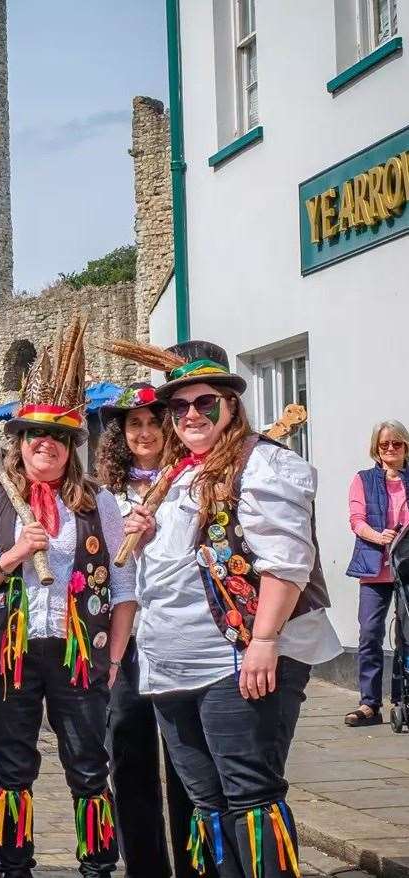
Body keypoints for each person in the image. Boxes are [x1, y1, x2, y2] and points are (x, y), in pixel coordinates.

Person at [119, 340, 341, 878]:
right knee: (206, 801)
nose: (191, 414)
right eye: (180, 407)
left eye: (205, 403)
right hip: (172, 666)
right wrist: (148, 536)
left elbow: (286, 563)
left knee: (250, 796)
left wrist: (264, 642)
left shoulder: (263, 462)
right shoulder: (176, 475)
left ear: (231, 406)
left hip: (237, 660)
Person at [0, 322, 134, 878]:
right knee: (11, 767)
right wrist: (11, 557)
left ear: (70, 448)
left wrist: (113, 659)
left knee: (88, 764)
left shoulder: (98, 503)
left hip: (79, 653)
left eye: (56, 438)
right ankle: (14, 868)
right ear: (20, 443)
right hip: (9, 657)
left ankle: (98, 865)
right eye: (34, 435)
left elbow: (123, 588)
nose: (45, 445)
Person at [95, 382, 203, 878]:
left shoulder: (191, 481)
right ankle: (145, 868)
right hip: (127, 639)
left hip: (180, 633)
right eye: (133, 424)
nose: (143, 432)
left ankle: (193, 864)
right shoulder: (104, 495)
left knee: (185, 760)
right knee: (130, 755)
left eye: (153, 423)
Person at [345, 419, 409, 727]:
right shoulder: (363, 480)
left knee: (406, 636)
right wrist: (378, 536)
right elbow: (356, 520)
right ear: (376, 448)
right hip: (375, 567)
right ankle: (370, 704)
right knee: (370, 634)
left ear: (405, 446)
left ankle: (403, 698)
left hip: (406, 566)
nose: (391, 449)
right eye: (385, 444)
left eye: (397, 443)